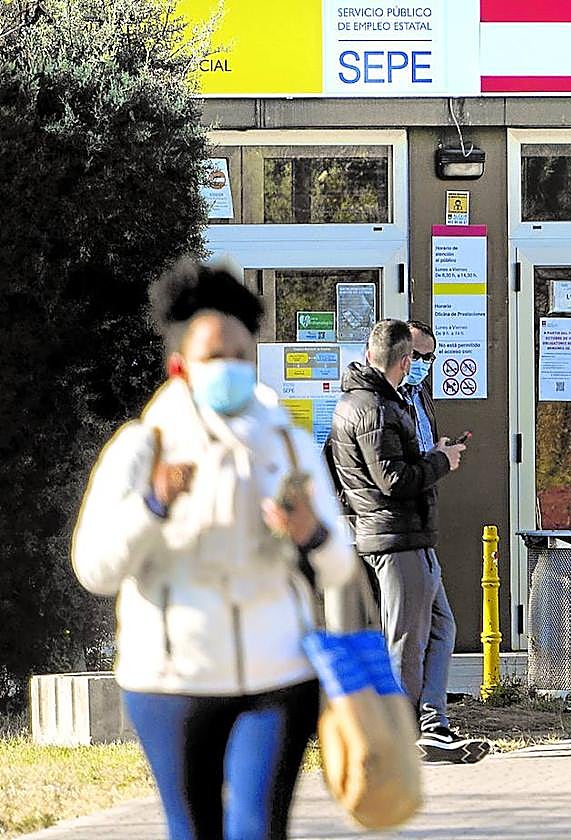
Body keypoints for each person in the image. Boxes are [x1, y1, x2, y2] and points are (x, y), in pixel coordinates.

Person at [72, 260, 356, 840]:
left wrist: (310, 533)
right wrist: (152, 507)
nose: (229, 368)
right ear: (181, 367)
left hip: (278, 673)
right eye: (213, 357)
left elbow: (340, 566)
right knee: (195, 830)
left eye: (241, 356)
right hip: (172, 679)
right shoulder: (141, 448)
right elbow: (96, 567)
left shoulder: (288, 444)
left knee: (258, 830)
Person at [326, 319, 490, 764]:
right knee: (406, 638)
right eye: (418, 358)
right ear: (402, 359)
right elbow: (393, 480)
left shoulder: (371, 402)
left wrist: (432, 455)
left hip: (406, 533)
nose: (422, 367)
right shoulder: (375, 408)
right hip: (394, 536)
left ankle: (430, 724)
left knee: (439, 627)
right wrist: (440, 460)